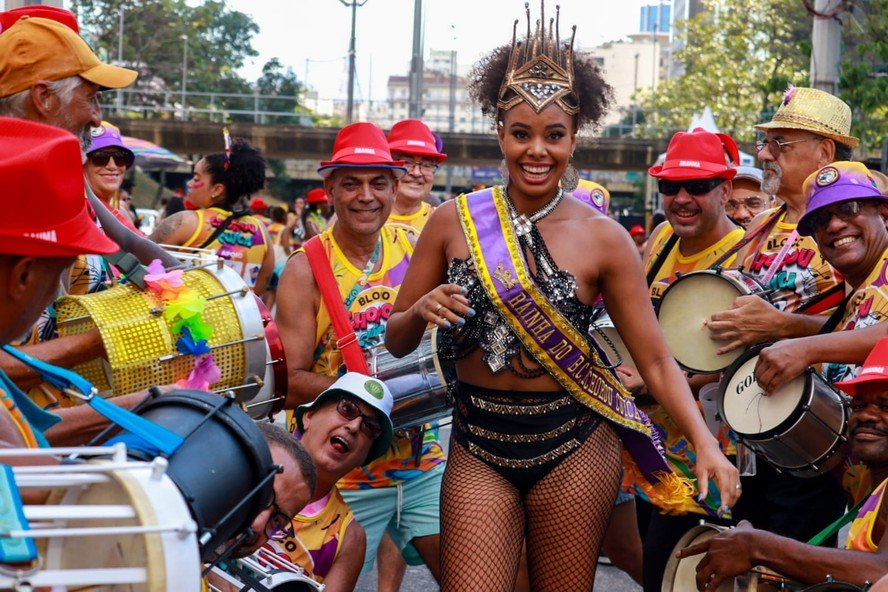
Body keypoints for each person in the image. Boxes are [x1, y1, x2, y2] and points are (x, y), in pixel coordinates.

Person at [384, 6, 739, 590]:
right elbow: (396, 340)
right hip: (477, 444)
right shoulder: (453, 222)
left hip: (574, 444)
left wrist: (706, 445)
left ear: (574, 139)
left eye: (554, 136)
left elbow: (654, 359)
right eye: (521, 133)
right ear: (499, 132)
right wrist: (420, 312)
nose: (536, 151)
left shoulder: (605, 239)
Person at [276, 122, 445, 584]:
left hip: (422, 463)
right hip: (342, 474)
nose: (365, 196)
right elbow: (288, 381)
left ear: (394, 187)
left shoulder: (416, 248)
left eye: (377, 182)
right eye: (350, 183)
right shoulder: (305, 269)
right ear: (329, 188)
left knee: (476, 577)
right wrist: (374, 392)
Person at [705, 88, 856, 552]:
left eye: (780, 144)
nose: (763, 153)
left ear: (824, 152)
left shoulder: (856, 223)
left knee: (793, 562)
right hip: (748, 431)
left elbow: (866, 325)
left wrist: (782, 328)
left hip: (816, 436)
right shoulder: (760, 225)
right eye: (765, 142)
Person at [624, 128, 744, 591]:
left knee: (679, 572)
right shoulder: (659, 241)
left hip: (709, 456)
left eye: (698, 187)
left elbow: (749, 362)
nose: (682, 198)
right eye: (670, 187)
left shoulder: (745, 256)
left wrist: (656, 381)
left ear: (726, 190)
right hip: (648, 451)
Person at [678, 338, 888, 591]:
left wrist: (758, 546)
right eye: (859, 405)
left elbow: (881, 573)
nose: (866, 415)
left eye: (885, 406)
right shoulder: (863, 479)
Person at [0, 14, 178, 271]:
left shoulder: (63, 178)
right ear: (44, 97)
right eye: (90, 98)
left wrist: (200, 287)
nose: (98, 119)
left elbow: (128, 241)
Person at [753, 162, 888, 389]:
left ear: (884, 216)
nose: (834, 225)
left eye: (849, 208)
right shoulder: (847, 313)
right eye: (820, 220)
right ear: (816, 243)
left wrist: (807, 349)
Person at [254, 373, 395, 590]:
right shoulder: (252, 461)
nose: (355, 426)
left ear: (364, 458)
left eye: (369, 427)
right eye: (347, 409)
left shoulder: (349, 537)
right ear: (308, 416)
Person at [149, 138, 274, 294]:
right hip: (238, 318)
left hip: (188, 317)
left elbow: (141, 262)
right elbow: (259, 287)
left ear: (217, 190)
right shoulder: (260, 232)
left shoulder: (186, 222)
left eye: (196, 178)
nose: (189, 184)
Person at [386, 119, 447, 238]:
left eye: (426, 165)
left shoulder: (444, 223)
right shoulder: (364, 220)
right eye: (407, 162)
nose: (417, 173)